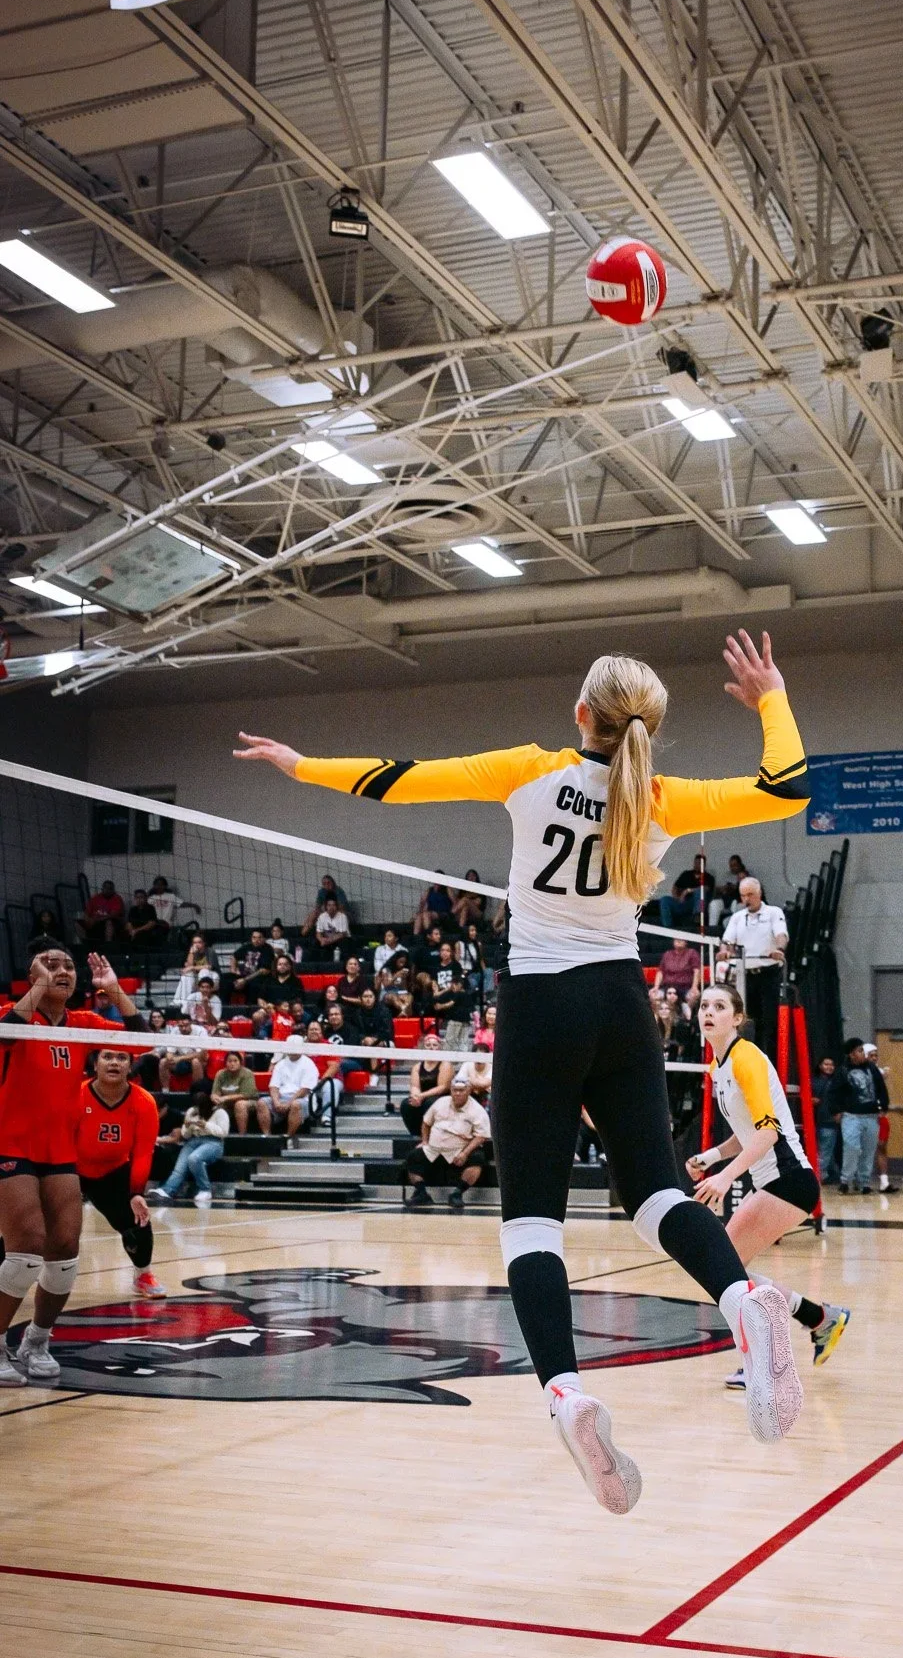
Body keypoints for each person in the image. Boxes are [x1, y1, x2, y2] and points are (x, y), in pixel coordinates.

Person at [235, 629, 811, 1512]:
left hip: (541, 1007)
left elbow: (397, 778)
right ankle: (740, 1301)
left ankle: (567, 1394)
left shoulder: (527, 769)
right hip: (623, 1004)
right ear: (647, 726)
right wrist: (769, 696)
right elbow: (787, 787)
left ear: (580, 714)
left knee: (531, 1227)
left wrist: (301, 764)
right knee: (655, 1194)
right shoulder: (661, 797)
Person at [687, 981, 849, 1391]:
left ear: (737, 1018)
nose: (709, 1012)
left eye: (719, 1006)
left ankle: (763, 1360)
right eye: (704, 1005)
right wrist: (711, 1157)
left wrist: (725, 1178)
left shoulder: (746, 1060)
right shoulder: (718, 1065)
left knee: (723, 1267)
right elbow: (745, 1133)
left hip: (789, 1181)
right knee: (729, 1269)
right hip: (775, 1182)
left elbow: (769, 1133)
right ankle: (818, 1317)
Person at [0, 950, 136, 1386]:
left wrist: (113, 989)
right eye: (50, 964)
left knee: (63, 1253)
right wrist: (37, 987)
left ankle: (36, 1340)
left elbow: (140, 1038)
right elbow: (8, 1036)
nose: (62, 971)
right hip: (11, 1144)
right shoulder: (10, 1013)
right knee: (26, 1250)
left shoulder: (82, 1022)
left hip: (59, 1151)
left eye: (68, 966)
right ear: (32, 973)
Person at [75, 1047, 164, 1300]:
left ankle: (143, 1274)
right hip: (70, 1167)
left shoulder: (144, 1101)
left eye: (121, 1058)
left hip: (113, 1170)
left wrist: (136, 1192)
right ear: (96, 1064)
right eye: (108, 1057)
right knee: (36, 1227)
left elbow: (144, 1152)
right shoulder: (77, 1094)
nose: (114, 1063)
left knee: (138, 1221)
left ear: (130, 1066)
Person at [719, 876, 788, 1060]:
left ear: (759, 893)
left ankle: (771, 1066)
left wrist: (778, 949)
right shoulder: (737, 917)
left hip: (768, 974)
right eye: (743, 896)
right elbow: (727, 940)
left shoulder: (773, 912)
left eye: (750, 894)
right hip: (745, 976)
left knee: (769, 1023)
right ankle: (747, 1062)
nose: (747, 899)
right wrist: (725, 951)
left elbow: (781, 934)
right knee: (746, 1022)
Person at [405, 1075, 492, 1209]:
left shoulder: (477, 1110)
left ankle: (457, 1194)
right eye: (454, 1090)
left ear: (468, 1091)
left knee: (477, 1159)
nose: (457, 1093)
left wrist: (465, 1153)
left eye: (461, 1090)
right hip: (434, 1148)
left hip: (459, 1149)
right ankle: (421, 1193)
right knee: (413, 1156)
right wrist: (424, 1141)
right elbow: (426, 1122)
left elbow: (481, 1136)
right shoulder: (440, 1102)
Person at [149, 1092, 228, 1207]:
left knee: (194, 1158)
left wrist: (205, 1125)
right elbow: (185, 1135)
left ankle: (205, 1189)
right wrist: (187, 1127)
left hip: (214, 1142)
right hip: (193, 1140)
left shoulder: (220, 1112)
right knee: (180, 1167)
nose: (197, 1109)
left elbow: (223, 1132)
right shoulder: (192, 1111)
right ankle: (167, 1190)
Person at [828, 1040, 887, 1194]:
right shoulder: (843, 1071)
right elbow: (833, 1092)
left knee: (869, 1149)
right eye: (860, 1051)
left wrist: (884, 1107)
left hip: (871, 1115)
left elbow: (881, 1088)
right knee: (851, 1147)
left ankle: (864, 1182)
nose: (863, 1054)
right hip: (851, 1116)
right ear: (852, 1054)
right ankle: (845, 1180)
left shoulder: (872, 1069)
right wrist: (835, 1111)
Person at [266, 1036, 321, 1138]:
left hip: (303, 1099)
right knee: (262, 1102)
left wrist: (289, 1103)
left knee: (295, 1105)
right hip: (282, 1098)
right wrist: (276, 1102)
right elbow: (273, 1086)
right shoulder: (280, 1064)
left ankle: (288, 1137)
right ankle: (267, 1136)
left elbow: (305, 1090)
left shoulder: (309, 1064)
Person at [402, 1035, 453, 1138]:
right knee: (407, 1104)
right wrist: (416, 1096)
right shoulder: (417, 1067)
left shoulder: (445, 1065)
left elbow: (442, 1087)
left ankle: (431, 1134)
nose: (431, 1047)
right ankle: (417, 1134)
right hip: (423, 1096)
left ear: (439, 1047)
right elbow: (415, 1086)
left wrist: (422, 1096)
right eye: (428, 1045)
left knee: (430, 1103)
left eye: (434, 1045)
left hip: (441, 1096)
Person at [212, 1048, 270, 1135]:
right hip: (227, 1104)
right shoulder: (220, 1074)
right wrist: (214, 1097)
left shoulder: (247, 1073)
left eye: (235, 1061)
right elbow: (215, 1093)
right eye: (229, 1061)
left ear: (240, 1062)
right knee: (215, 1109)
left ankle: (242, 1135)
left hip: (250, 1102)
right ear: (225, 1063)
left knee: (239, 1105)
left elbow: (247, 1094)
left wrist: (226, 1097)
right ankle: (218, 1135)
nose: (232, 1064)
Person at [811, 1054, 840, 1184]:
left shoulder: (837, 1082)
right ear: (820, 1066)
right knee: (825, 1150)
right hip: (816, 1120)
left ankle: (822, 1175)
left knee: (826, 1150)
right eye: (826, 1064)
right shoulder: (813, 1081)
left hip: (829, 1121)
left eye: (831, 1065)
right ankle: (823, 1175)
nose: (829, 1067)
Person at [658, 935, 703, 1005]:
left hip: (686, 987)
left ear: (686, 942)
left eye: (681, 939)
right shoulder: (667, 954)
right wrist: (655, 987)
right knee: (654, 995)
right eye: (676, 939)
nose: (678, 941)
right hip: (668, 986)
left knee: (694, 996)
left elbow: (697, 971)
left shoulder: (692, 953)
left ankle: (688, 1015)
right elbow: (660, 972)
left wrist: (694, 987)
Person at [301, 874, 350, 940]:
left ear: (333, 882)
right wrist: (319, 912)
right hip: (327, 911)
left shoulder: (339, 891)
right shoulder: (321, 892)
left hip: (339, 911)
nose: (327, 885)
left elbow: (342, 907)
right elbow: (318, 906)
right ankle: (302, 935)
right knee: (313, 914)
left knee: (341, 914)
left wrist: (330, 910)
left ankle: (336, 933)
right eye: (324, 884)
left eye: (328, 883)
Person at [311, 894, 351, 961]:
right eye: (329, 905)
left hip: (340, 940)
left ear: (336, 906)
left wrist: (328, 941)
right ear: (326, 906)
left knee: (344, 942)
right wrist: (321, 940)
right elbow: (318, 933)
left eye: (333, 905)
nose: (331, 907)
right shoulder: (322, 916)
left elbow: (342, 934)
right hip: (327, 941)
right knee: (315, 943)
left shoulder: (342, 916)